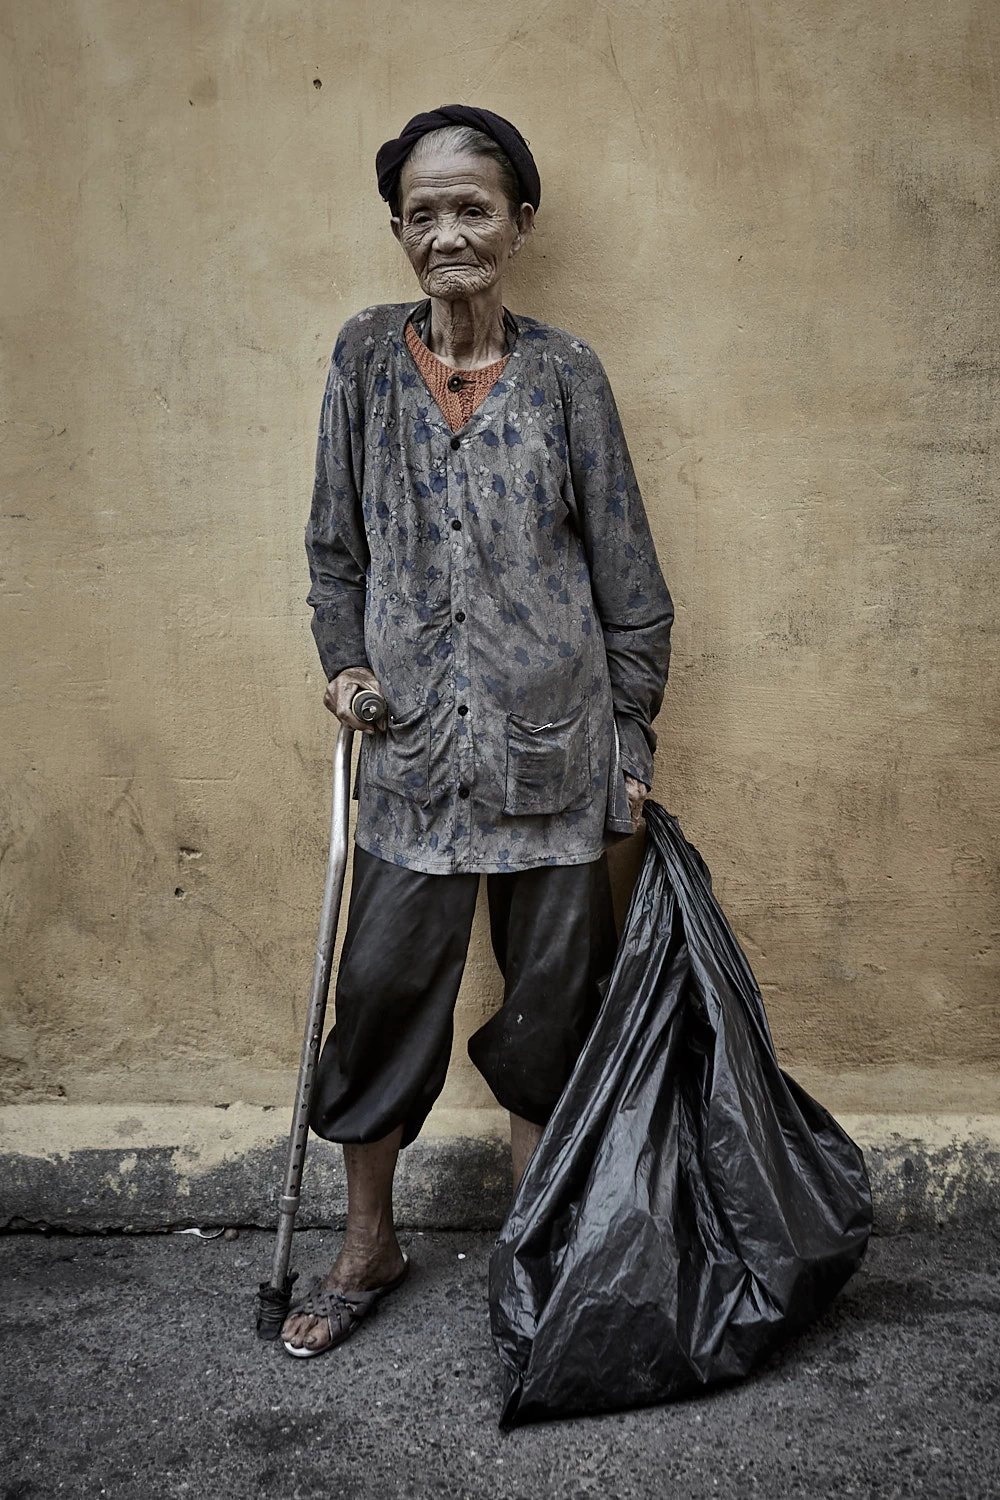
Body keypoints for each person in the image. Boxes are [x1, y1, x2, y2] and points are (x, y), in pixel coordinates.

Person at [281, 105, 674, 1356]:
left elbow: (629, 574)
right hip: (407, 755)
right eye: (424, 212)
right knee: (385, 992)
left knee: (552, 1005)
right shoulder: (359, 359)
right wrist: (343, 663)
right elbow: (333, 553)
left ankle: (533, 1246)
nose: (448, 231)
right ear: (398, 229)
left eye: (473, 207)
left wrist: (631, 737)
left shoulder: (567, 374)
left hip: (556, 748)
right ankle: (366, 1244)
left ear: (518, 223)